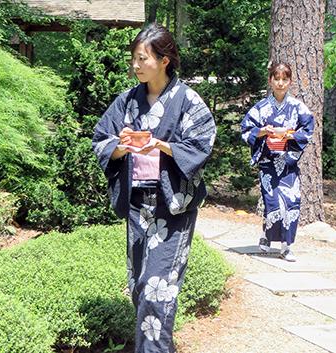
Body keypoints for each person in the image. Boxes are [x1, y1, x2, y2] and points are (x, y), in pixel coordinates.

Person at [92, 23, 216, 352]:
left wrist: (160, 145)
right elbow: (101, 138)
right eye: (134, 58)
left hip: (171, 206)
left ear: (164, 60)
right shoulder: (127, 101)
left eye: (142, 58)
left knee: (158, 287)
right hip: (137, 205)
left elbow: (201, 144)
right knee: (138, 285)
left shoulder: (188, 100)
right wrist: (121, 147)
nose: (135, 65)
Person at [240, 62, 314, 262]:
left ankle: (286, 246)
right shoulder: (261, 108)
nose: (280, 83)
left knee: (291, 203)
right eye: (277, 79)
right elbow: (246, 130)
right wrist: (263, 131)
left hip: (289, 164)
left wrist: (289, 135)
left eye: (285, 79)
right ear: (270, 80)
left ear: (290, 81)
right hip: (268, 163)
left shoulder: (298, 107)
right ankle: (266, 237)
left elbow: (308, 130)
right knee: (272, 203)